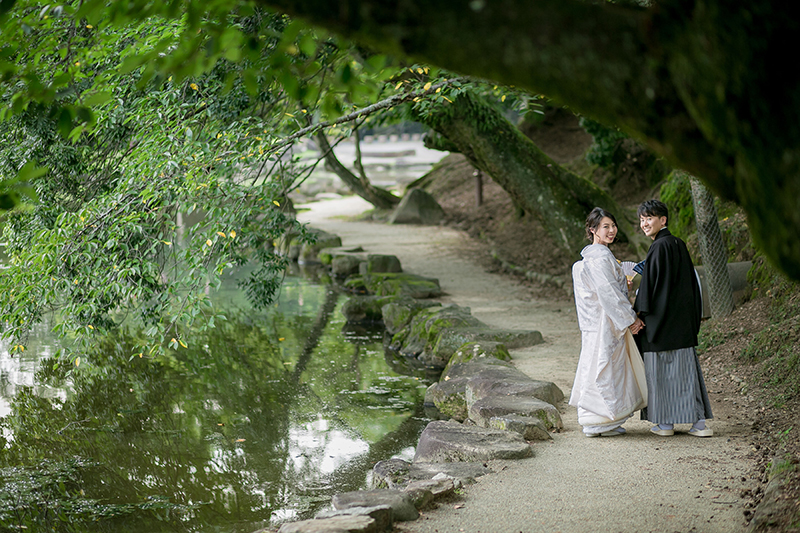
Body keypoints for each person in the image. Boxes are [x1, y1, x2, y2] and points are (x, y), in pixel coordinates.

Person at [633, 199, 714, 437]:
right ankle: (698, 424)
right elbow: (691, 285)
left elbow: (651, 287)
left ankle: (666, 424)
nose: (644, 224)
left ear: (663, 220)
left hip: (660, 323)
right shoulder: (678, 243)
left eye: (649, 218)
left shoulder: (658, 247)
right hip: (681, 323)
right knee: (686, 374)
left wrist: (638, 313)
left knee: (660, 375)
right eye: (642, 220)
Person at [569, 207, 648, 437]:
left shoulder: (591, 257)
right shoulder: (601, 257)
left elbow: (605, 290)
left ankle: (596, 421)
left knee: (595, 366)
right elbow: (608, 294)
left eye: (613, 226)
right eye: (606, 226)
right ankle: (600, 421)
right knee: (607, 368)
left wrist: (623, 284)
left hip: (595, 323)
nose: (612, 230)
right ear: (593, 230)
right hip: (606, 323)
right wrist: (631, 319)